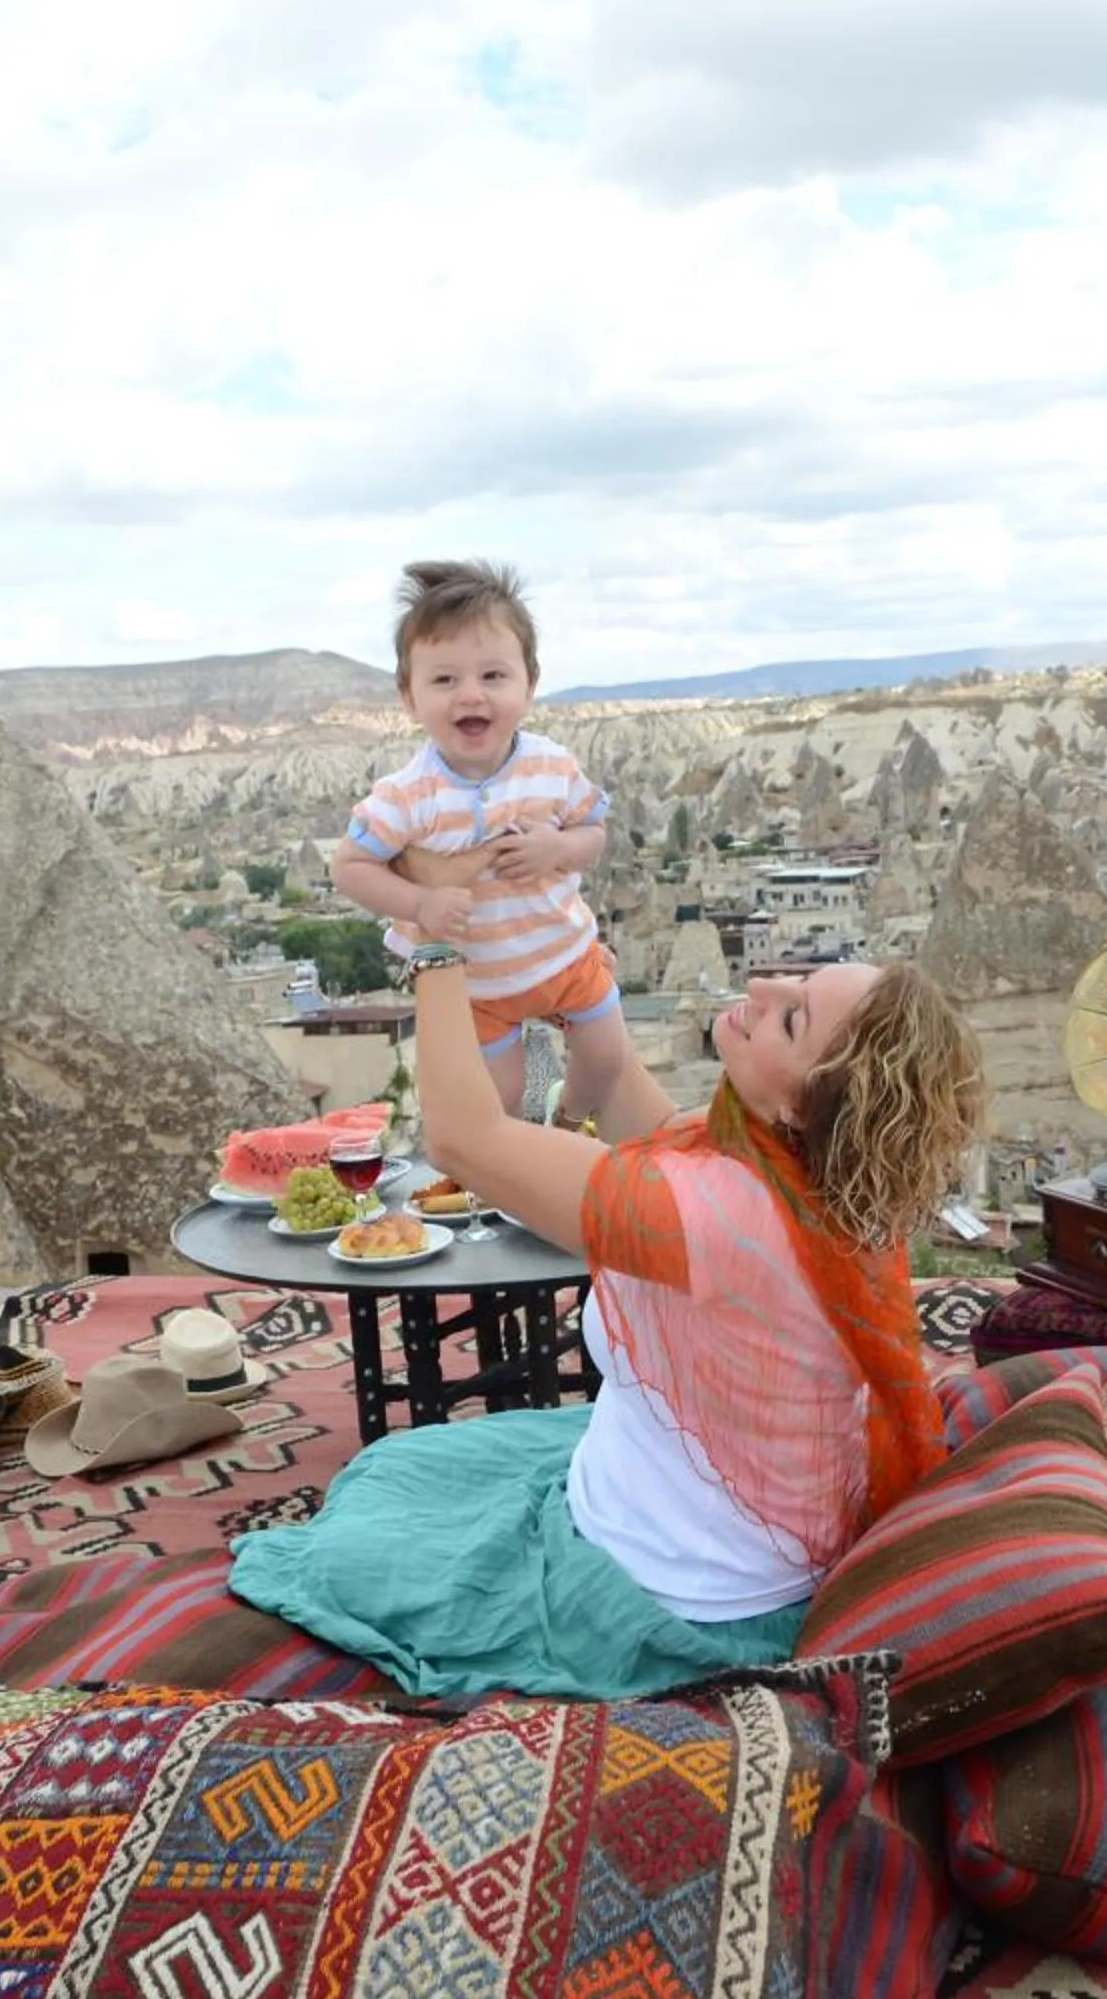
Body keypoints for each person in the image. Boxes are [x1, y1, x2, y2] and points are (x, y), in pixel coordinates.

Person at [228, 945, 987, 1699]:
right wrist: (579, 981)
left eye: (792, 1017)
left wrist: (436, 951)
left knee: (367, 1531)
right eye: (798, 977)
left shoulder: (720, 1210)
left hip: (684, 1587)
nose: (763, 986)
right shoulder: (813, 1175)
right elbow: (635, 1107)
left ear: (800, 1104)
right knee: (401, 1469)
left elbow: (462, 1140)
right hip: (749, 1529)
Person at [330, 559, 634, 1131]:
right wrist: (419, 906)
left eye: (493, 676)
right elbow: (349, 867)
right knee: (501, 1102)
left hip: (566, 954)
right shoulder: (406, 795)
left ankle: (568, 1117)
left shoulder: (552, 764)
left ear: (530, 684)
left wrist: (556, 849)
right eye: (444, 680)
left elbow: (594, 834)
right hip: (480, 986)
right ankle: (526, 1170)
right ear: (409, 697)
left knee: (606, 1060)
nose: (471, 694)